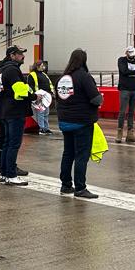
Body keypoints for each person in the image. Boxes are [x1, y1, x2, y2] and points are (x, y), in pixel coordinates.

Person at [56, 48, 102, 199]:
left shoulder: (63, 77)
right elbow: (95, 99)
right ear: (84, 60)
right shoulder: (84, 76)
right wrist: (100, 99)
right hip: (82, 122)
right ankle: (80, 188)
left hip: (65, 121)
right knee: (81, 156)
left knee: (68, 153)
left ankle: (66, 185)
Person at [0, 45, 35, 186]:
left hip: (6, 111)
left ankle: (5, 174)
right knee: (13, 144)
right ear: (12, 55)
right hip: (14, 112)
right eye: (19, 54)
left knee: (7, 143)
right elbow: (20, 90)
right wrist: (34, 96)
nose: (22, 56)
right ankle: (11, 174)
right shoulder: (12, 70)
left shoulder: (6, 69)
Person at [116, 46, 135, 143]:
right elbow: (124, 71)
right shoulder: (121, 61)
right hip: (124, 89)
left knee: (132, 112)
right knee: (122, 112)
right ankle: (119, 133)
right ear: (126, 53)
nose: (132, 57)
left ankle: (130, 134)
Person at [28, 60, 54, 135]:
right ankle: (41, 128)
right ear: (37, 66)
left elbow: (50, 84)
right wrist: (35, 95)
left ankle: (46, 128)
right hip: (39, 97)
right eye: (42, 65)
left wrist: (51, 92)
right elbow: (30, 86)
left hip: (45, 97)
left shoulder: (44, 74)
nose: (44, 67)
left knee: (46, 113)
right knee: (40, 113)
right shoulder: (32, 75)